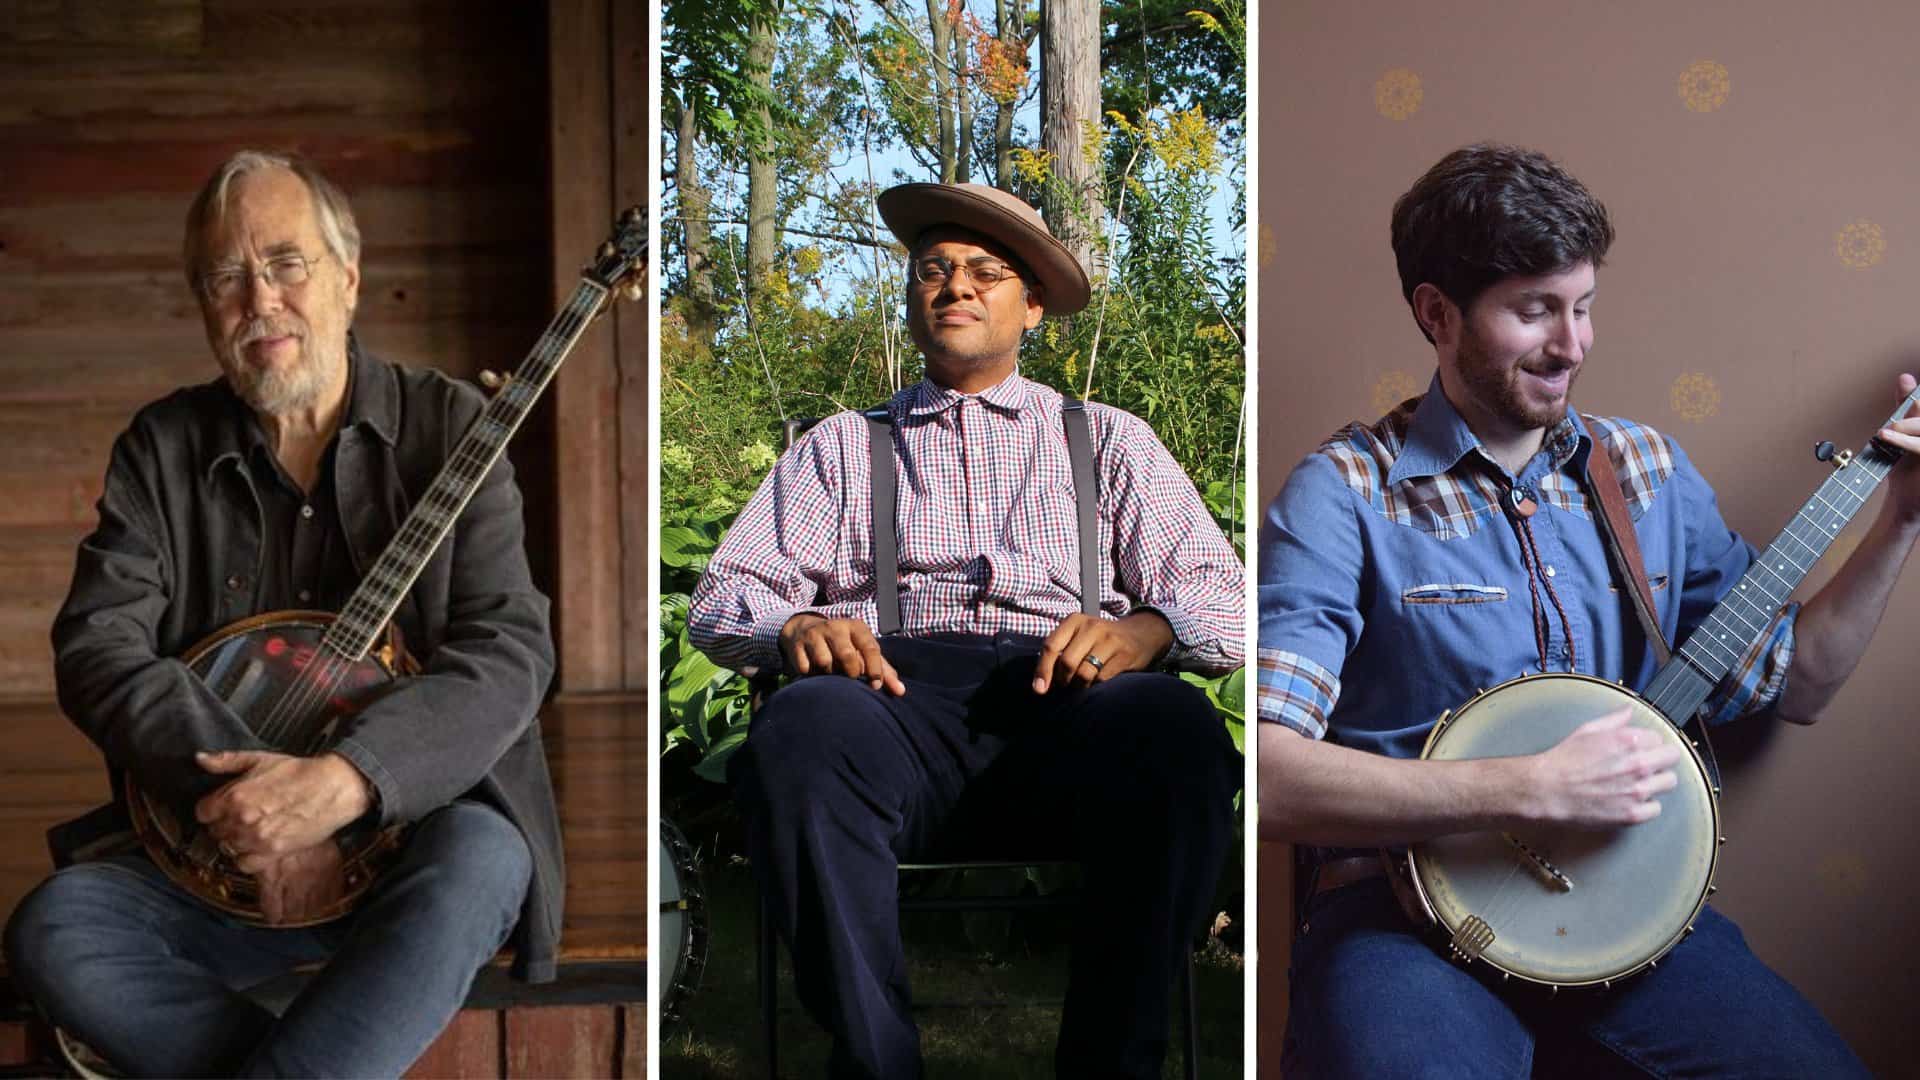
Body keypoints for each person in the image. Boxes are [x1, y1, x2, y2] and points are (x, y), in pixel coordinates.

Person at [1257, 143, 1917, 1075]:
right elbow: (1271, 777)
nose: (1572, 345)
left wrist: (1900, 518)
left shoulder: (1644, 470)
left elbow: (1797, 685)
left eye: (1583, 306)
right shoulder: (1345, 493)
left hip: (1632, 920)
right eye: (1534, 311)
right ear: (1436, 313)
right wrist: (1527, 787)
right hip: (1400, 922)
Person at [2, 150, 563, 1077]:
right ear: (204, 306)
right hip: (216, 863)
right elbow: (97, 646)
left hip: (412, 844)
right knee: (58, 929)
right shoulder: (160, 446)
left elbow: (507, 650)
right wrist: (252, 815)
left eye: (286, 264)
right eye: (226, 276)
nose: (259, 299)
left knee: (485, 859)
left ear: (347, 276)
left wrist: (343, 788)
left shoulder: (453, 426)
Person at [689, 181, 1244, 1079]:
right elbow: (721, 599)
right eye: (934, 271)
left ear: (1031, 307)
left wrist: (1147, 629)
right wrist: (796, 626)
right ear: (913, 299)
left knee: (1179, 733)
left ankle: (1109, 1065)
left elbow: (1225, 600)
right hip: (890, 712)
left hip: (1069, 714)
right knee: (797, 732)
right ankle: (879, 1065)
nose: (955, 287)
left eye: (986, 273)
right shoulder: (841, 445)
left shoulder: (1109, 440)